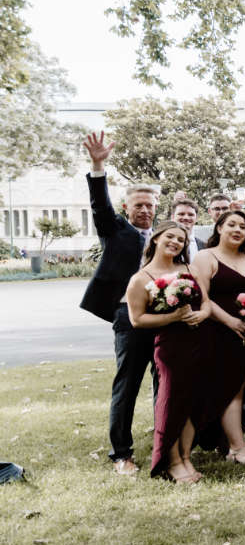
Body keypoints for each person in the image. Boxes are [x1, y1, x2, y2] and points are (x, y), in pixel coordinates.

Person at [80, 132, 161, 476]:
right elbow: (100, 205)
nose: (144, 209)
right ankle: (121, 455)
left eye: (150, 205)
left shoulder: (165, 237)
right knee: (127, 383)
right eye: (138, 205)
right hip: (128, 317)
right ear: (127, 208)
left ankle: (166, 443)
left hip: (166, 318)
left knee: (166, 381)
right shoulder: (116, 231)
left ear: (157, 207)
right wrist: (98, 165)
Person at [125, 221, 213, 482]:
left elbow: (207, 302)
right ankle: (171, 461)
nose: (176, 242)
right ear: (155, 239)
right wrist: (173, 317)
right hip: (171, 348)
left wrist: (202, 314)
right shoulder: (141, 279)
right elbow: (137, 319)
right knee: (171, 404)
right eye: (170, 237)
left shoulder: (189, 268)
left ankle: (186, 457)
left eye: (181, 240)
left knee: (192, 403)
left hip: (199, 343)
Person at [191, 210, 245, 462]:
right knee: (230, 387)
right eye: (231, 225)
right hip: (218, 332)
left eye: (242, 227)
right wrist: (229, 320)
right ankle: (238, 448)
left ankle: (227, 440)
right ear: (219, 228)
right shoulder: (206, 256)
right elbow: (200, 296)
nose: (237, 230)